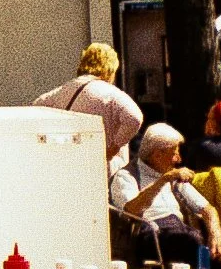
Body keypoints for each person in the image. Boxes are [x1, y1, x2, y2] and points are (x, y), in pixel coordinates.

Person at [110, 123, 221, 269]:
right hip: (150, 235)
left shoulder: (170, 174)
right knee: (190, 240)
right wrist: (163, 180)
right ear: (157, 154)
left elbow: (207, 209)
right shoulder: (126, 176)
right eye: (174, 153)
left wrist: (215, 232)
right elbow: (132, 210)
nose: (178, 159)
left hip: (180, 231)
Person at [32, 42, 143, 176]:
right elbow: (134, 118)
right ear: (110, 68)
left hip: (70, 166)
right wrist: (113, 148)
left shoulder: (64, 89)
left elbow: (36, 106)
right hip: (104, 170)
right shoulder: (110, 93)